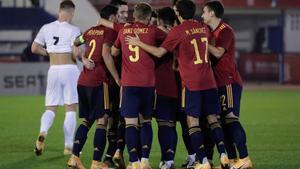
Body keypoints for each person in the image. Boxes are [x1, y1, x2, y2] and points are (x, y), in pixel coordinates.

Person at [126, 1, 230, 169]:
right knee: (213, 120)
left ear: (178, 13)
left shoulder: (177, 31)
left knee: (190, 122)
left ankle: (201, 161)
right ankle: (223, 155)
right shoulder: (202, 27)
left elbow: (160, 52)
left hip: (190, 83)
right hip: (209, 81)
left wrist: (139, 43)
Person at [105, 2, 166, 169]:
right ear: (148, 17)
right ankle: (145, 159)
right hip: (148, 84)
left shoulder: (124, 30)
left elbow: (114, 52)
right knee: (146, 122)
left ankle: (134, 161)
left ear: (134, 15)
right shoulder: (153, 31)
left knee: (130, 123)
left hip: (129, 84)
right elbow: (168, 39)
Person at [66, 5, 120, 169]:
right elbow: (105, 54)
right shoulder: (109, 31)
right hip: (99, 81)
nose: (117, 18)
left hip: (83, 81)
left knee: (87, 120)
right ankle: (96, 162)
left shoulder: (90, 31)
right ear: (111, 17)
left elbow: (74, 42)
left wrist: (82, 58)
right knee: (102, 121)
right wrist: (117, 78)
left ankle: (74, 157)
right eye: (117, 15)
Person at [202, 1, 253, 169]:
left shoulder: (225, 31)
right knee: (222, 122)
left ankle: (244, 158)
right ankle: (232, 161)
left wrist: (202, 42)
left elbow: (217, 52)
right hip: (217, 83)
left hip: (228, 81)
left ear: (211, 13)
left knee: (230, 118)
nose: (202, 15)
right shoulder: (209, 32)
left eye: (204, 12)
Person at [32, 0, 81, 156]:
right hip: (70, 69)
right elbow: (76, 53)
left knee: (51, 108)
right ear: (71, 12)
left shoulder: (46, 28)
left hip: (53, 69)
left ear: (60, 11)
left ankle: (43, 131)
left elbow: (34, 48)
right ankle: (68, 146)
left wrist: (49, 53)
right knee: (71, 108)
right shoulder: (74, 29)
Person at [102, 1, 128, 169]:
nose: (126, 15)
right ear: (114, 14)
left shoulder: (121, 29)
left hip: (114, 82)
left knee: (114, 120)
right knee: (123, 120)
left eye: (127, 12)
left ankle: (110, 157)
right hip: (118, 83)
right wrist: (117, 77)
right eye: (122, 12)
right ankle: (114, 155)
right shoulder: (113, 30)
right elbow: (107, 53)